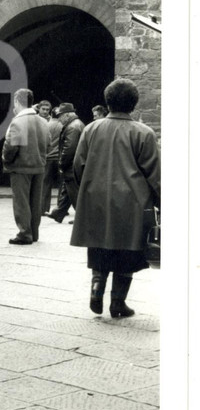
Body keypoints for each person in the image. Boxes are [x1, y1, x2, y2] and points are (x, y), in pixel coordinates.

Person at [71, 78, 160, 318]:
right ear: (134, 103)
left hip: (95, 199)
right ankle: (118, 303)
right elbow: (154, 174)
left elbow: (78, 166)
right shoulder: (144, 133)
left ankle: (97, 289)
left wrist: (86, 191)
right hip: (133, 203)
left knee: (99, 247)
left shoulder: (91, 129)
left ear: (107, 101)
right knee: (128, 252)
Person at [3, 88, 49, 245]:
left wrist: (6, 160)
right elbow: (48, 143)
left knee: (21, 201)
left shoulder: (17, 122)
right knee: (35, 202)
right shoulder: (43, 122)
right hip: (39, 166)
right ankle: (34, 232)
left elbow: (11, 147)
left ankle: (24, 233)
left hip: (21, 167)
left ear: (17, 101)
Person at [49, 103, 84, 224]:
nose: (59, 119)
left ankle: (81, 217)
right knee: (68, 189)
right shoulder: (75, 125)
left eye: (61, 116)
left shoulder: (72, 127)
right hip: (74, 164)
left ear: (67, 115)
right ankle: (59, 213)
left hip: (71, 165)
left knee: (73, 190)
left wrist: (61, 164)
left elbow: (69, 149)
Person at [41, 106, 63, 218]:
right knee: (61, 184)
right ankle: (61, 208)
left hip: (48, 158)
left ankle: (43, 208)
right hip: (59, 158)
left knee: (45, 184)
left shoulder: (46, 125)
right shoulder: (63, 126)